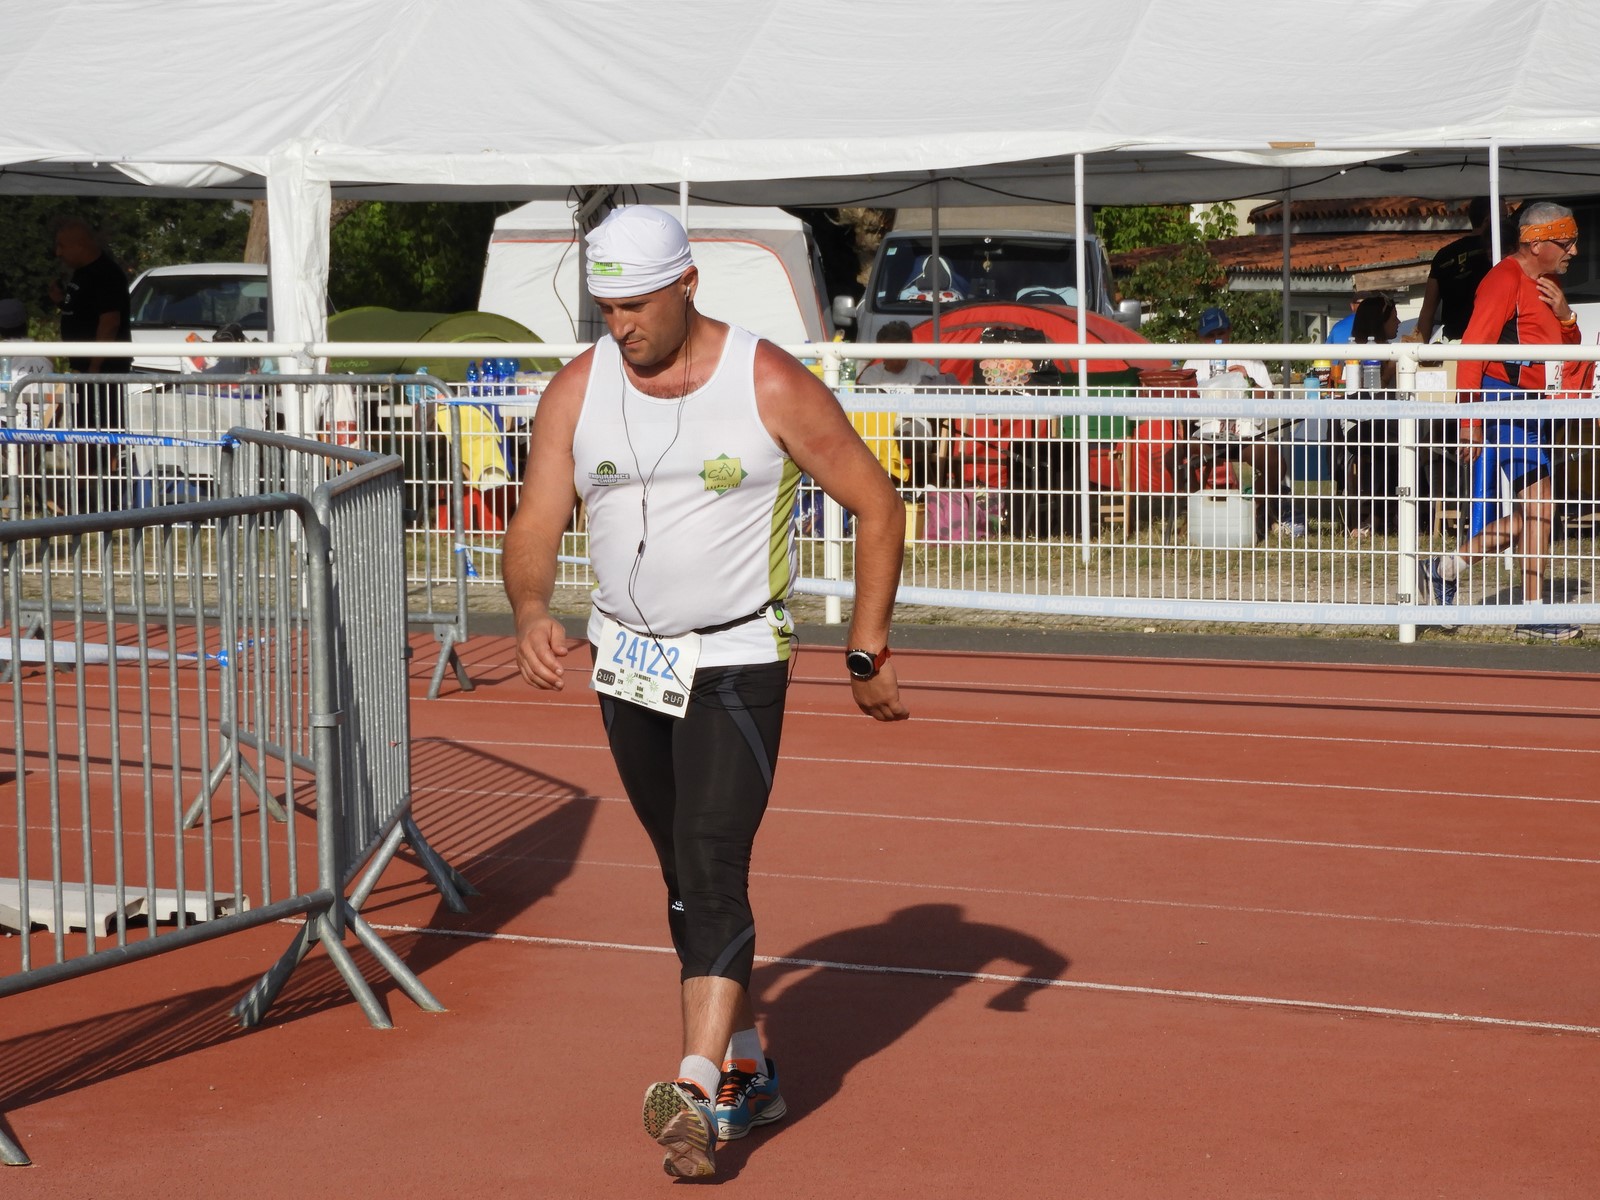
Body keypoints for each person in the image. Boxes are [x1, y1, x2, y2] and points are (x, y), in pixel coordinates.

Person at [501, 205, 909, 1180]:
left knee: (712, 861)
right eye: (606, 310)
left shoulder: (767, 380)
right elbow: (538, 516)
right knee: (684, 879)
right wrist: (528, 609)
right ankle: (750, 1067)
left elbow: (877, 502)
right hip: (626, 662)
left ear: (687, 284)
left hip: (737, 657)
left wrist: (866, 648)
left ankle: (691, 1091)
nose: (620, 327)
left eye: (637, 306)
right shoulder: (579, 388)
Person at [1421, 201, 1593, 641]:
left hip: (1534, 406)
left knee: (1534, 513)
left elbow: (1567, 347)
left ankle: (1444, 568)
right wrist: (1470, 421)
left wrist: (1567, 316)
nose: (1574, 250)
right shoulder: (1503, 279)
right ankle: (1532, 613)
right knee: (1540, 506)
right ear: (1536, 243)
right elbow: (1472, 351)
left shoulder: (1548, 283)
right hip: (1505, 402)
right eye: (1567, 242)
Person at [1181, 306, 1301, 539]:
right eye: (1210, 335)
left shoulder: (1249, 358)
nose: (1217, 339)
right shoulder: (1193, 362)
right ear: (1201, 337)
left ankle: (1254, 508)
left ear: (1230, 331)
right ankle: (1194, 508)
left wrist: (1248, 381)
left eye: (1221, 333)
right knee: (1172, 454)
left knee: (1275, 462)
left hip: (1246, 435)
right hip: (1207, 433)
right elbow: (1185, 404)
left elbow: (1268, 399)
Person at [51, 217, 131, 510]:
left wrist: (95, 366)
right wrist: (61, 302)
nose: (58, 253)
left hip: (103, 369)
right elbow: (84, 311)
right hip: (86, 367)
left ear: (80, 245)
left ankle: (105, 493)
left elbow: (109, 322)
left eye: (62, 246)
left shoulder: (106, 274)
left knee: (104, 428)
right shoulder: (83, 273)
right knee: (84, 428)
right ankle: (84, 490)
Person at [1339, 294, 1401, 537]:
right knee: (1399, 445)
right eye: (1394, 318)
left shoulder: (1395, 350)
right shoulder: (1357, 352)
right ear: (1380, 321)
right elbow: (1368, 394)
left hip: (1385, 423)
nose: (1398, 323)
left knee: (1406, 442)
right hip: (1359, 423)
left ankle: (1386, 516)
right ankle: (1378, 517)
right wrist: (1390, 370)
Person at [1415, 197, 1494, 343]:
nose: (1508, 222)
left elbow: (1427, 311)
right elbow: (1428, 310)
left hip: (1453, 342)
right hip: (1490, 342)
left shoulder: (1444, 255)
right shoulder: (1498, 253)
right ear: (1488, 220)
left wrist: (1419, 349)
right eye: (1504, 217)